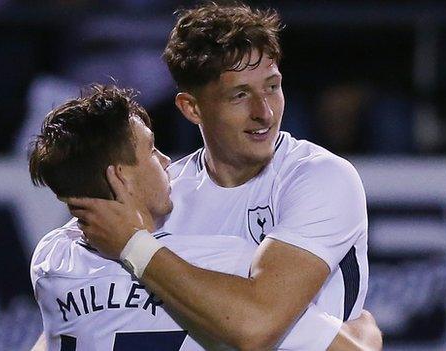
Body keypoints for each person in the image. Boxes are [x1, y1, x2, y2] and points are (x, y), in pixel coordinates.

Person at [65, 3, 376, 350]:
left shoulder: (320, 177)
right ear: (191, 108)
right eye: (240, 95)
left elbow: (257, 326)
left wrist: (133, 245)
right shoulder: (163, 196)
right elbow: (79, 315)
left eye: (272, 87)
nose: (265, 113)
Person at [29, 85, 381, 350]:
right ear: (120, 176)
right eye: (152, 149)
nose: (167, 162)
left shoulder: (51, 259)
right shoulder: (223, 263)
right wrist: (365, 329)